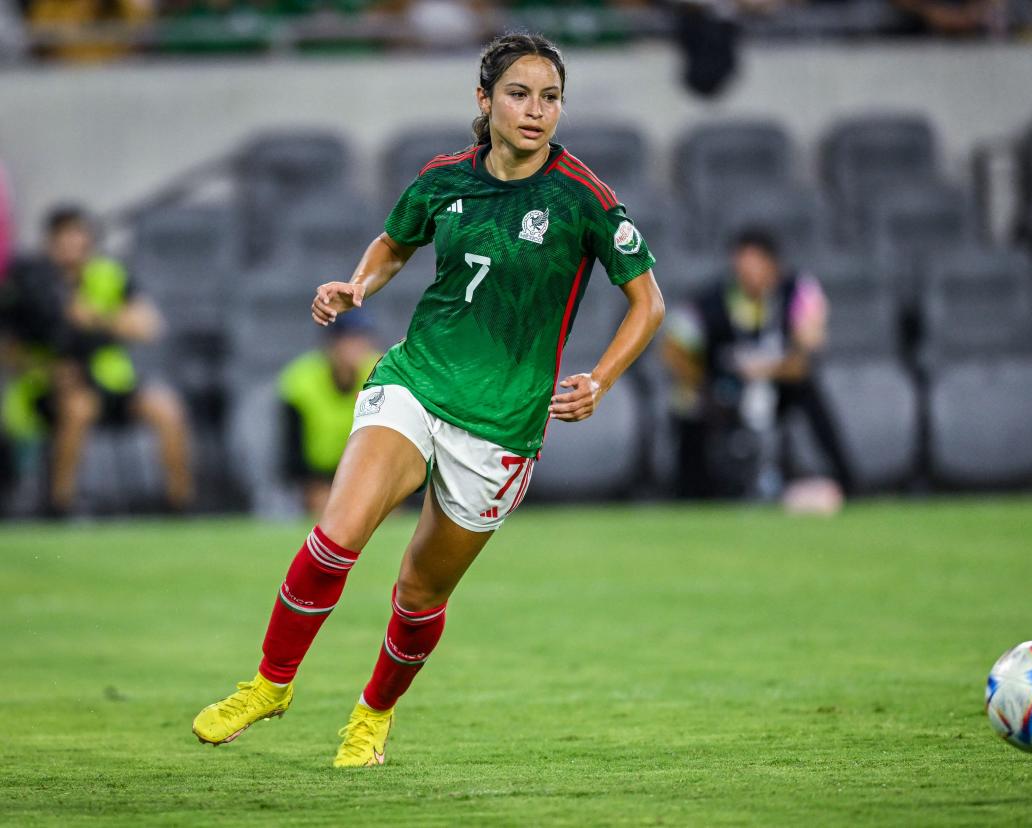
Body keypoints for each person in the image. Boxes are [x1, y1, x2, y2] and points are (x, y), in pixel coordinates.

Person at [191, 32, 664, 768]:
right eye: (519, 93)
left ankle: (372, 716)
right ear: (484, 101)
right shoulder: (444, 178)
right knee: (338, 533)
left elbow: (648, 304)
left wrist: (600, 378)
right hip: (416, 381)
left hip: (503, 423)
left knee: (418, 593)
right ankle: (269, 683)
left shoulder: (585, 199)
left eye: (550, 97)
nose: (535, 111)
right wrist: (358, 286)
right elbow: (393, 242)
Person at [0, 206, 194, 515]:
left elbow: (149, 326)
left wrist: (94, 317)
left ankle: (179, 505)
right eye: (64, 238)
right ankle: (61, 505)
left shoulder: (108, 275)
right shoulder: (29, 283)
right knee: (79, 408)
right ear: (50, 243)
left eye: (78, 236)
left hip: (113, 384)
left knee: (166, 406)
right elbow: (9, 350)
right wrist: (48, 370)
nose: (73, 246)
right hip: (51, 388)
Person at [662, 227, 852, 503]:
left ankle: (846, 480)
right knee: (686, 404)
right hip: (725, 387)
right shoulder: (712, 299)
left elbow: (809, 352)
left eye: (755, 265)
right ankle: (691, 495)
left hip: (780, 383)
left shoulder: (798, 291)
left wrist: (769, 370)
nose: (748, 275)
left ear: (773, 264)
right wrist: (700, 382)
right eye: (741, 266)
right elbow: (673, 345)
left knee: (810, 393)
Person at [277, 311, 379, 517]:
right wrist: (311, 486)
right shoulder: (301, 381)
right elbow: (292, 448)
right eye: (349, 339)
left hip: (369, 474)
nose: (356, 347)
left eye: (360, 338)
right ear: (332, 344)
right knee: (328, 513)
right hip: (319, 478)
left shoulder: (381, 374)